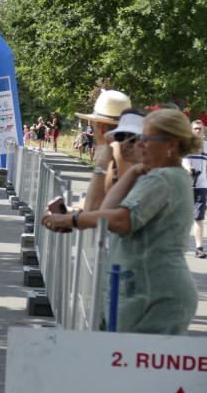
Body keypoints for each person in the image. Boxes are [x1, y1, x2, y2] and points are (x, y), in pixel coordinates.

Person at [42, 109, 199, 334]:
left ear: (171, 145)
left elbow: (121, 220)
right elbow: (108, 211)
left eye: (145, 138)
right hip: (145, 290)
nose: (139, 144)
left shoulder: (163, 178)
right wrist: (133, 173)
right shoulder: (162, 175)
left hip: (153, 293)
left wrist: (71, 219)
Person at [183, 119, 207, 258]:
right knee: (182, 217)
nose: (198, 131)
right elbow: (184, 161)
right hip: (185, 185)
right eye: (195, 129)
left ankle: (199, 248)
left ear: (204, 130)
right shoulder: (186, 145)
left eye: (200, 128)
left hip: (201, 186)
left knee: (198, 218)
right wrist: (189, 169)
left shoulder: (206, 146)